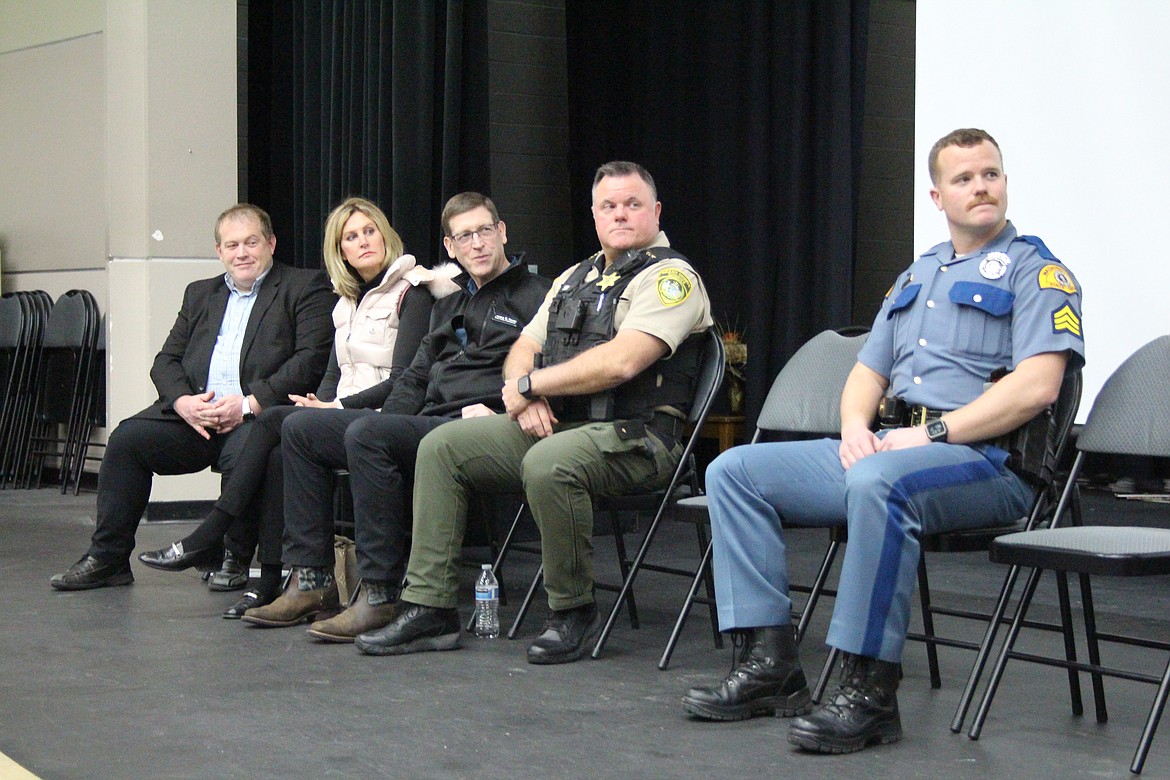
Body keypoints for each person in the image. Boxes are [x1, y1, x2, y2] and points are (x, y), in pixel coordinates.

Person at [681, 128, 1086, 754]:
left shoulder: (1039, 272)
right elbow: (867, 372)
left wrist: (931, 433)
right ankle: (770, 667)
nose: (981, 187)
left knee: (878, 481)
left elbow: (1037, 388)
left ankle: (868, 693)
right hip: (897, 451)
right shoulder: (917, 275)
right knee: (735, 471)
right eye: (964, 178)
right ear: (936, 195)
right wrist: (852, 431)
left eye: (991, 174)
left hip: (986, 461)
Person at [354, 161, 713, 664]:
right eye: (609, 205)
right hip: (567, 424)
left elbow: (621, 362)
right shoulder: (574, 277)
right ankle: (430, 606)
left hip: (640, 438)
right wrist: (524, 394)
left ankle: (571, 610)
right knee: (441, 446)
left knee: (549, 461)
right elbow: (524, 346)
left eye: (633, 204)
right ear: (594, 215)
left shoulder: (671, 279)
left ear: (654, 212)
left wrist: (529, 385)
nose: (621, 215)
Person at [239, 192, 549, 640]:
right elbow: (415, 377)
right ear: (450, 247)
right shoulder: (449, 303)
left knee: (368, 434)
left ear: (502, 233)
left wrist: (507, 405)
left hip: (480, 425)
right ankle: (312, 581)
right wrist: (389, 418)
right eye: (465, 236)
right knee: (300, 427)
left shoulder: (538, 296)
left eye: (485, 231)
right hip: (427, 419)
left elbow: (549, 368)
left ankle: (381, 593)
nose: (477, 244)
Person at [135, 197, 461, 618]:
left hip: (387, 419)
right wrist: (322, 402)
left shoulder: (414, 292)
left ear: (386, 235)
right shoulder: (346, 300)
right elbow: (331, 370)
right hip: (346, 414)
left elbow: (405, 382)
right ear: (339, 250)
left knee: (272, 421)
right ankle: (302, 580)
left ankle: (213, 538)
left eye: (369, 231)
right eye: (351, 237)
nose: (362, 242)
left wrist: (336, 406)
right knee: (282, 437)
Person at [50, 204, 336, 590]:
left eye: (251, 242)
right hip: (196, 418)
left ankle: (232, 557)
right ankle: (108, 558)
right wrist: (185, 403)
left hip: (256, 417)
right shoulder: (201, 293)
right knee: (126, 440)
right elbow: (165, 361)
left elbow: (310, 361)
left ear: (271, 243)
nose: (242, 253)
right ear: (219, 251)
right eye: (231, 245)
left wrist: (247, 404)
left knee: (249, 453)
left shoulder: (304, 286)